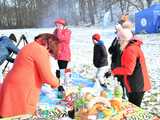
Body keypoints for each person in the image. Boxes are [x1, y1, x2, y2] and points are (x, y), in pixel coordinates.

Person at [0, 33, 59, 117]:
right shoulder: (40, 50)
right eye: (50, 51)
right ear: (48, 44)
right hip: (22, 90)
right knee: (19, 115)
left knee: (7, 114)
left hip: (11, 86)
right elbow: (47, 77)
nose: (49, 54)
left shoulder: (29, 46)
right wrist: (57, 82)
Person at [110, 27, 151, 107]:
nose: (118, 41)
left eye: (119, 39)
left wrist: (114, 71)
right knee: (133, 107)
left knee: (134, 108)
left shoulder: (130, 49)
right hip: (135, 84)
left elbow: (129, 70)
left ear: (124, 39)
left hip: (137, 86)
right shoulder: (130, 47)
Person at [53, 18, 71, 84]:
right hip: (59, 53)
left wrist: (59, 30)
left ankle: (64, 82)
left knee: (63, 69)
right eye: (57, 25)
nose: (58, 27)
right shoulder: (56, 31)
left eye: (59, 25)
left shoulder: (67, 32)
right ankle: (64, 81)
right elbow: (54, 39)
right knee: (61, 68)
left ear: (63, 25)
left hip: (65, 53)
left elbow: (60, 38)